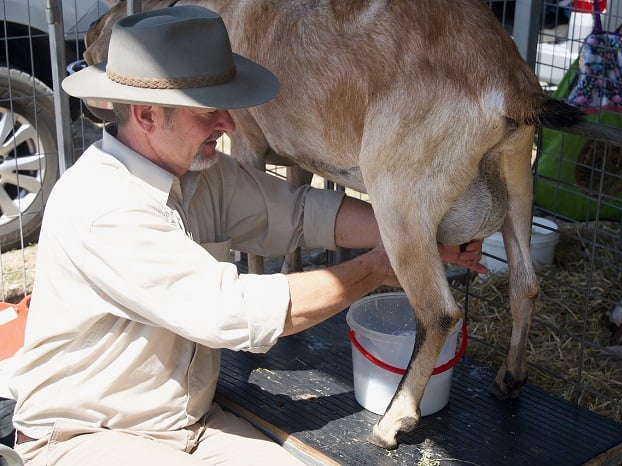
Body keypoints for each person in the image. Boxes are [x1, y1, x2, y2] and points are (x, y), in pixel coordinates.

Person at [9, 5, 485, 466]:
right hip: (84, 438)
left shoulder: (201, 174)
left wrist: (419, 235)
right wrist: (377, 267)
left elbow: (300, 210)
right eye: (207, 111)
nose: (228, 124)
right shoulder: (104, 205)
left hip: (188, 425)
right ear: (148, 115)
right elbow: (231, 312)